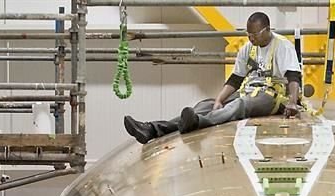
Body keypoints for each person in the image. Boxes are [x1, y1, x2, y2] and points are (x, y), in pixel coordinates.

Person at [123, 11, 302, 145]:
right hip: (249, 90)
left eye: (254, 34)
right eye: (248, 34)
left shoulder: (282, 46)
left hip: (272, 97)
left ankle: (199, 123)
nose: (251, 38)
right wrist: (218, 100)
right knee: (205, 104)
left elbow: (293, 76)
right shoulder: (248, 48)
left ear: (267, 30)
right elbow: (235, 79)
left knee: (241, 105)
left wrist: (293, 102)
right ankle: (152, 129)